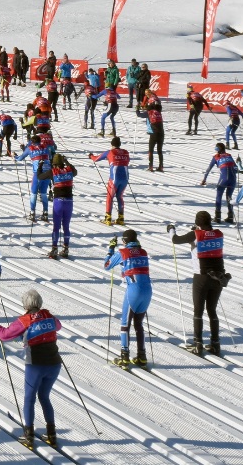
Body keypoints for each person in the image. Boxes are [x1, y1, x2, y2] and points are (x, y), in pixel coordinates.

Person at [0, 289, 62, 449]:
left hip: (36, 364)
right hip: (54, 364)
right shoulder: (49, 316)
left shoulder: (25, 320)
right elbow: (58, 326)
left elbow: (5, 335)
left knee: (29, 398)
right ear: (39, 303)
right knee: (44, 396)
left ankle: (29, 437)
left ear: (25, 304)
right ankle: (51, 435)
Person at [168, 212, 231, 355]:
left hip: (201, 277)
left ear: (197, 222)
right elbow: (207, 234)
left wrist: (171, 229)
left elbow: (175, 240)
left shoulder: (195, 234)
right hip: (218, 277)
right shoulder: (218, 233)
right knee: (212, 310)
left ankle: (198, 343)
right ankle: (215, 343)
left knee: (198, 311)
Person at [104, 229, 152, 367]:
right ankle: (141, 356)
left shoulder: (123, 252)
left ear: (124, 241)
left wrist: (110, 250)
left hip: (133, 290)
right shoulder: (143, 252)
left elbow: (107, 266)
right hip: (148, 290)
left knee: (125, 324)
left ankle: (124, 357)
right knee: (138, 324)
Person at [89, 137, 130, 226]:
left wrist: (91, 156)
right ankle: (121, 218)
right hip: (125, 178)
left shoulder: (110, 152)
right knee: (120, 196)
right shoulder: (126, 152)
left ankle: (108, 218)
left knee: (110, 197)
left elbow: (96, 159)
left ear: (112, 145)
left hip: (114, 179)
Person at [43, 154, 77, 258]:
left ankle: (54, 249)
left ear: (54, 164)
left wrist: (40, 166)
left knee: (56, 227)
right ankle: (66, 249)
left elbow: (40, 176)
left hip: (58, 202)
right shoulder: (70, 170)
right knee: (66, 226)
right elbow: (75, 171)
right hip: (69, 201)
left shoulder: (53, 172)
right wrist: (66, 162)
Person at [200, 142, 241, 223]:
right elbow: (236, 169)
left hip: (223, 179)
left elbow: (208, 169)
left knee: (219, 196)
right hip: (233, 179)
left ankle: (217, 217)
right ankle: (230, 217)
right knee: (229, 197)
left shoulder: (216, 157)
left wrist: (204, 179)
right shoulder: (229, 155)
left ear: (217, 149)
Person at [137, 98, 165, 172]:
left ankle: (151, 166)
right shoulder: (159, 111)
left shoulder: (149, 112)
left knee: (151, 151)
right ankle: (161, 166)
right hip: (162, 133)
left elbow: (139, 114)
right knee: (160, 151)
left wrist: (137, 109)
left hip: (153, 133)